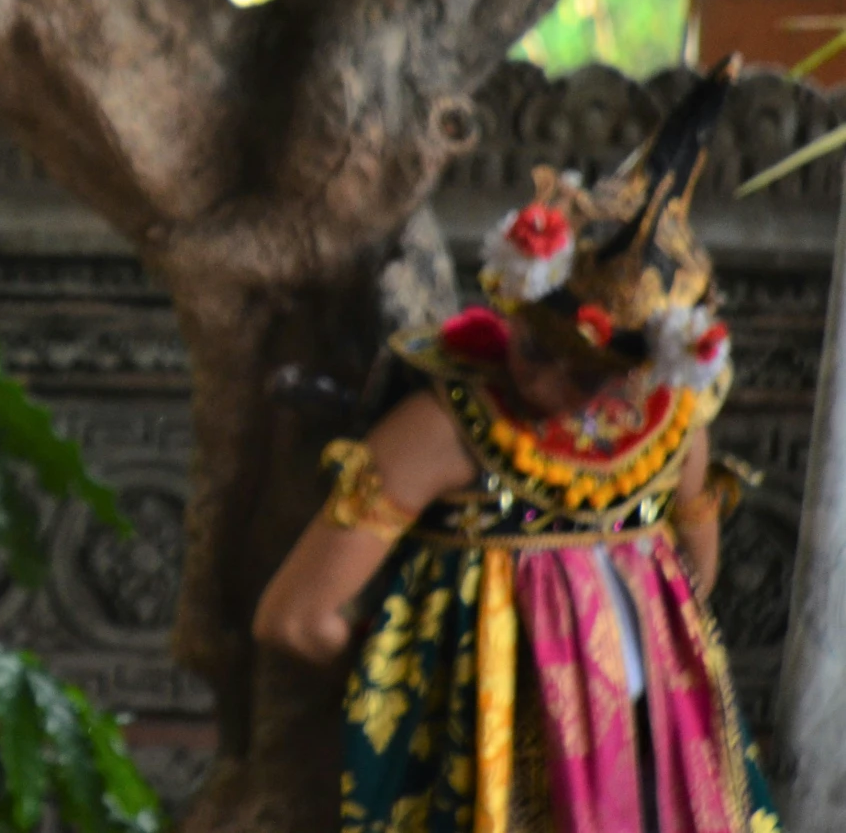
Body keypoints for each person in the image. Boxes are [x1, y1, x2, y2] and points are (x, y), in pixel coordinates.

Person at [255, 58, 779, 833]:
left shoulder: (673, 424)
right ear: (515, 301)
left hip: (661, 759)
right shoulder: (444, 427)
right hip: (495, 778)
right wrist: (410, 683)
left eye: (592, 381)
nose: (546, 388)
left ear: (646, 375)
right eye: (536, 350)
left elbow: (690, 584)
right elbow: (295, 616)